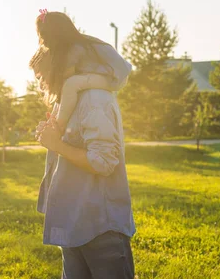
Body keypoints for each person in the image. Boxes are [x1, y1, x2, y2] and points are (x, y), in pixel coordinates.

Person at [30, 43, 136, 279]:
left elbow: (104, 162)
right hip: (74, 220)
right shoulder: (67, 100)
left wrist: (56, 144)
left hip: (100, 228)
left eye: (41, 76)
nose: (40, 84)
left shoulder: (93, 99)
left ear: (56, 67)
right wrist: (51, 136)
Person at [35, 9, 132, 133]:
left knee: (71, 84)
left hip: (115, 76)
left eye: (44, 34)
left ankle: (59, 126)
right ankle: (56, 122)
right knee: (68, 86)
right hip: (106, 73)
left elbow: (66, 79)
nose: (42, 39)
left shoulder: (75, 48)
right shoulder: (75, 44)